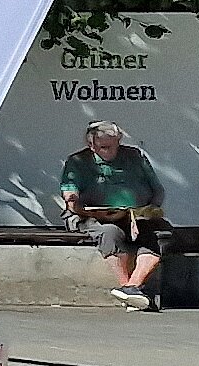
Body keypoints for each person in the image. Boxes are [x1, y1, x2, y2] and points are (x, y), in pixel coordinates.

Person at [60, 120, 169, 311]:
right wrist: (83, 207)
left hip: (134, 215)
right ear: (90, 144)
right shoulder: (76, 162)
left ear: (119, 140)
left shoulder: (135, 156)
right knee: (110, 232)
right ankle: (131, 290)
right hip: (91, 216)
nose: (108, 152)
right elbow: (71, 200)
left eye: (113, 146)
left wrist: (150, 209)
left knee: (158, 234)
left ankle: (130, 288)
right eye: (103, 147)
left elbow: (157, 190)